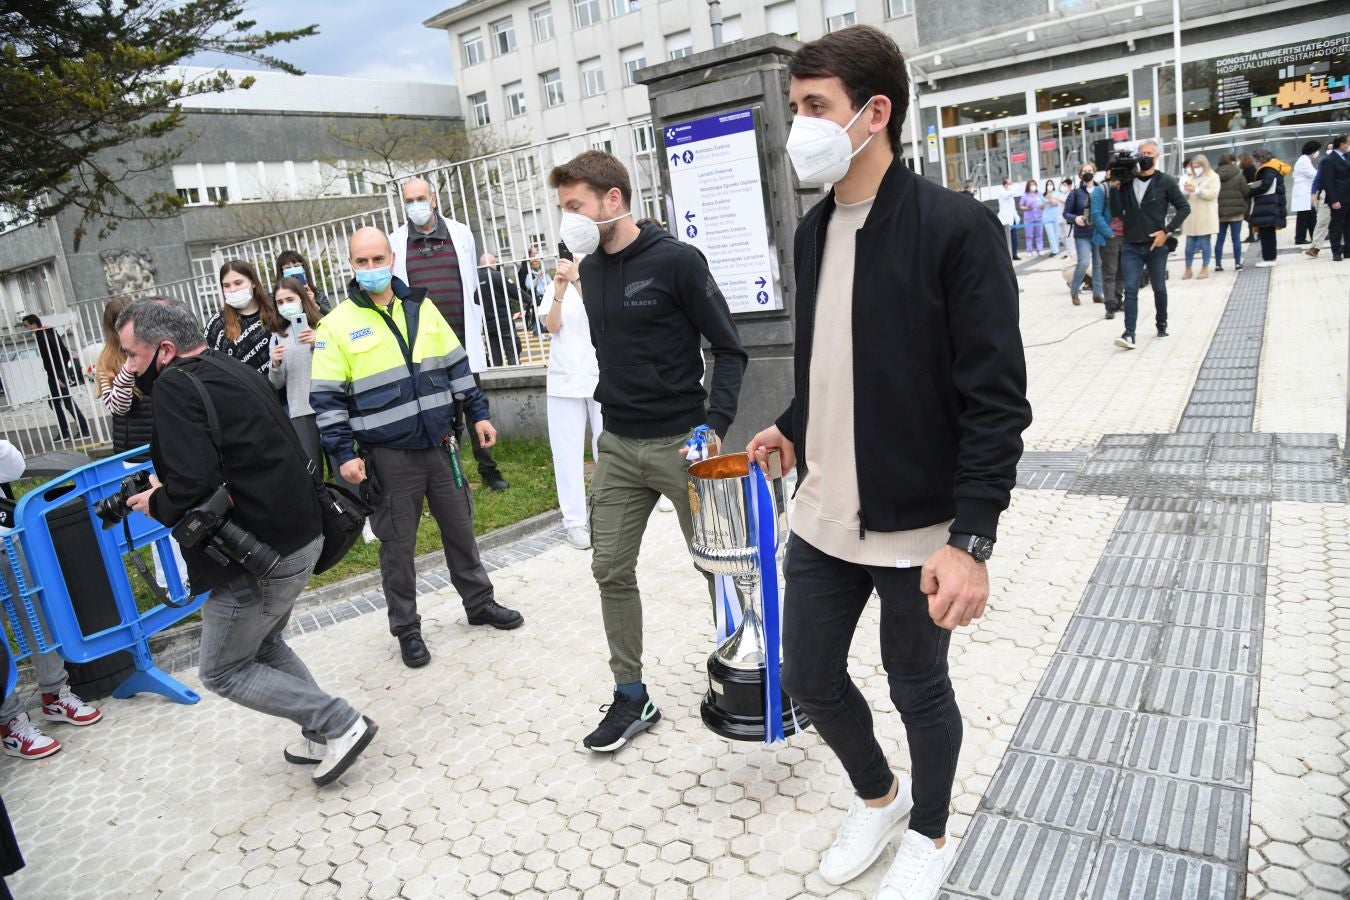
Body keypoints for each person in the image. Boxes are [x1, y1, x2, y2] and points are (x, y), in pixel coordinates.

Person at [746, 26, 1031, 900]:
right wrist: (791, 425)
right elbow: (833, 360)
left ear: (875, 113)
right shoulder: (813, 232)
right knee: (809, 676)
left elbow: (996, 400)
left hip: (918, 527)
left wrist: (972, 540)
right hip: (823, 513)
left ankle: (931, 833)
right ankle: (879, 796)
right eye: (795, 108)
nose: (799, 126)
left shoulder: (955, 229)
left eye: (815, 107)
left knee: (917, 687)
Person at [117, 297, 375, 787]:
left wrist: (156, 501)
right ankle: (322, 729)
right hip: (302, 535)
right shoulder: (226, 364)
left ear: (165, 350)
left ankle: (340, 723)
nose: (129, 367)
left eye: (132, 355)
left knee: (222, 669)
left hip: (259, 559)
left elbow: (192, 488)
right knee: (265, 643)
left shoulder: (174, 386)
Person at [546, 150, 747, 753]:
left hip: (682, 444)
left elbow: (729, 349)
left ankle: (750, 674)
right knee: (609, 569)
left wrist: (715, 424)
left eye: (576, 205)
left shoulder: (677, 261)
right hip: (617, 446)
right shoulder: (590, 269)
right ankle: (632, 696)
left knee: (720, 567)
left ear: (613, 200)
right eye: (563, 208)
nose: (568, 219)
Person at [310, 228, 523, 669]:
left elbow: (457, 365)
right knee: (397, 546)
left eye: (377, 259)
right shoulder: (336, 325)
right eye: (362, 262)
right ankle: (407, 629)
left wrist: (479, 414)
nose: (371, 268)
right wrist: (344, 455)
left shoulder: (422, 307)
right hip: (388, 456)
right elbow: (327, 401)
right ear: (351, 265)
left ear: (391, 258)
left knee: (461, 529)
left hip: (440, 445)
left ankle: (479, 603)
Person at [389, 178, 510, 492]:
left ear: (433, 199)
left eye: (420, 198)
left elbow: (469, 281)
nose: (415, 205)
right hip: (424, 345)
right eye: (409, 200)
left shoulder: (460, 233)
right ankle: (449, 475)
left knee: (474, 405)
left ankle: (489, 469)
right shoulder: (395, 242)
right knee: (439, 411)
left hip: (461, 338)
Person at [0, 439, 104, 760]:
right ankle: (10, 722)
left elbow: (14, 465)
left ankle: (55, 693)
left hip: (5, 537)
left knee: (36, 615)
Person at [95, 297, 189, 588]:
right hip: (134, 452)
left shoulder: (154, 349)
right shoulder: (108, 362)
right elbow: (118, 407)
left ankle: (189, 572)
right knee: (153, 513)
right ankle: (168, 579)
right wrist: (127, 370)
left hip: (162, 442)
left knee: (178, 505)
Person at [538, 253, 601, 550]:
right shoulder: (558, 281)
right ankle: (575, 522)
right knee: (566, 453)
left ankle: (608, 512)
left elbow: (601, 314)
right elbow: (551, 326)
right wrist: (560, 291)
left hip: (600, 373)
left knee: (607, 447)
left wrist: (579, 280)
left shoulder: (601, 273)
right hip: (564, 378)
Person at [1110, 140, 1189, 350]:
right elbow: (1116, 211)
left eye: (1149, 153)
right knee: (1130, 289)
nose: (1145, 156)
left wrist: (1167, 231)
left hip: (1156, 244)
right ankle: (1129, 333)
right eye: (1142, 153)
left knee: (1159, 287)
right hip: (1131, 244)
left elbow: (1184, 207)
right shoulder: (1128, 182)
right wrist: (1114, 187)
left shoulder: (1165, 181)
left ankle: (1161, 323)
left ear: (1157, 156)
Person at [266, 277, 325, 468]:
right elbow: (276, 383)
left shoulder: (323, 325)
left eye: (290, 299)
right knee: (311, 469)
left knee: (343, 466)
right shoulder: (277, 337)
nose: (285, 305)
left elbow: (339, 360)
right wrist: (275, 364)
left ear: (302, 298)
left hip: (329, 402)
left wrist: (319, 343)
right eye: (280, 302)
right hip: (300, 409)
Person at [19, 315, 90, 442]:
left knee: (65, 402)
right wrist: (63, 369)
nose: (25, 329)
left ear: (34, 324)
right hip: (58, 371)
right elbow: (64, 352)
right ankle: (66, 432)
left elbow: (50, 358)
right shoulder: (50, 332)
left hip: (55, 373)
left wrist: (58, 376)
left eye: (26, 326)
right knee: (55, 401)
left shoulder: (42, 336)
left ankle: (82, 430)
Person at [206, 260, 282, 377]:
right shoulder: (216, 323)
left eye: (238, 283)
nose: (232, 289)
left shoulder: (276, 309)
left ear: (253, 282)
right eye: (226, 286)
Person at [1063, 164, 1102, 306]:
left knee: (1098, 263)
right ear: (1080, 174)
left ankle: (1097, 294)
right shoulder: (1075, 193)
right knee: (1084, 262)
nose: (1087, 173)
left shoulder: (1100, 190)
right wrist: (1075, 218)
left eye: (1090, 171)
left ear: (1094, 172)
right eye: (1085, 171)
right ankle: (1074, 290)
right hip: (1082, 233)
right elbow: (1066, 213)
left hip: (1098, 232)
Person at [1247, 148, 1290, 268]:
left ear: (1260, 158)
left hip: (1267, 204)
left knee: (1267, 233)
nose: (1255, 162)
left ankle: (1269, 258)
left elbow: (1265, 185)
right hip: (1272, 203)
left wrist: (1250, 191)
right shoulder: (1275, 166)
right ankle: (1270, 257)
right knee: (1268, 232)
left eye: (1255, 160)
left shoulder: (1268, 168)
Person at [477, 253, 521, 367]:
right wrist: (529, 300)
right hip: (503, 321)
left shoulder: (475, 279)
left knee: (495, 358)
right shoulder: (497, 276)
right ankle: (515, 373)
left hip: (487, 324)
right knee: (512, 354)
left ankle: (496, 374)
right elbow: (515, 292)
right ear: (492, 263)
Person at [1180, 154, 1220, 280]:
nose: (1195, 169)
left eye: (1198, 166)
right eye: (1194, 166)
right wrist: (1185, 190)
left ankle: (1205, 267)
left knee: (1205, 242)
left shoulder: (1213, 177)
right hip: (1191, 214)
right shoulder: (1191, 177)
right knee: (1189, 243)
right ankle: (1188, 267)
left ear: (1204, 165)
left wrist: (1197, 190)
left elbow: (1212, 194)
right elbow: (1186, 193)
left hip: (1206, 214)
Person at [1092, 174, 1122, 318]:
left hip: (1126, 236)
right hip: (1110, 236)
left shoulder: (1127, 187)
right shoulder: (1101, 189)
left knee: (1123, 271)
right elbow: (1096, 214)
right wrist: (1109, 233)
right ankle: (1110, 305)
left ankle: (1119, 300)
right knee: (1110, 272)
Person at [1214, 153, 1250, 272]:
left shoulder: (1214, 175)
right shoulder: (1238, 173)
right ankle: (1237, 263)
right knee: (1236, 238)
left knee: (1220, 239)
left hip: (1220, 212)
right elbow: (1245, 191)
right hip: (1236, 212)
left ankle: (1218, 264)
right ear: (1231, 162)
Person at [1319, 134, 1350, 262]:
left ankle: (1348, 250)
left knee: (1348, 225)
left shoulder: (1347, 157)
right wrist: (1333, 200)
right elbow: (1328, 182)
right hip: (1339, 198)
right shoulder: (1329, 160)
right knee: (1336, 225)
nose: (1349, 145)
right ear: (1342, 144)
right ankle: (1336, 251)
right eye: (1348, 143)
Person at [275, 250, 331, 314]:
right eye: (287, 268)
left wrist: (314, 304)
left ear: (304, 269)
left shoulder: (318, 296)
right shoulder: (275, 298)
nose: (293, 270)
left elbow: (330, 315)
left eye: (296, 266)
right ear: (281, 272)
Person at [1306, 141, 1334, 258]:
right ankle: (1315, 247)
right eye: (1328, 149)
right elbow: (1318, 179)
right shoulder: (1324, 162)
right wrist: (1313, 192)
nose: (1330, 151)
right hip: (1326, 195)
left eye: (1332, 148)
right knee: (1322, 220)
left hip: (1343, 195)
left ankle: (1344, 246)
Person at [1292, 141, 1321, 245]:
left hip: (1305, 193)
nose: (1317, 152)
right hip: (1303, 193)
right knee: (1304, 217)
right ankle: (1300, 238)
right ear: (1312, 150)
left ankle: (1314, 236)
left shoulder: (1305, 160)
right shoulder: (1304, 160)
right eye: (1316, 150)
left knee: (1311, 216)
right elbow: (1313, 174)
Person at [1018, 179, 1044, 256]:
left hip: (1038, 217)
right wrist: (1027, 207)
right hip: (1029, 218)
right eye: (1031, 185)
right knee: (1029, 235)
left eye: (1034, 184)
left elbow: (1043, 204)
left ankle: (1040, 249)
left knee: (1039, 234)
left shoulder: (1039, 194)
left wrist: (1042, 206)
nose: (1033, 186)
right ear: (1028, 186)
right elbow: (1021, 206)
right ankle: (1029, 250)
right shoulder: (1025, 195)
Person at [996, 179, 1020, 259]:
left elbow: (1012, 208)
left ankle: (1014, 254)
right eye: (1010, 183)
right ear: (1005, 184)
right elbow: (1011, 192)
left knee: (1014, 239)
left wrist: (1016, 217)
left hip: (1012, 219)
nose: (1011, 185)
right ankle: (1006, 256)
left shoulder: (1010, 195)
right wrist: (1018, 184)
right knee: (1006, 239)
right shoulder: (1002, 193)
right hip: (1005, 221)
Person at [1041, 179, 1063, 257]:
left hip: (1055, 216)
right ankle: (1054, 251)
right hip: (1046, 218)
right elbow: (1040, 207)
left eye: (1051, 184)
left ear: (1053, 185)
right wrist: (1045, 201)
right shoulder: (1043, 195)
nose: (1049, 186)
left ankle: (1056, 249)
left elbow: (1056, 204)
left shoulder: (1057, 193)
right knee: (1051, 235)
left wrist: (1050, 199)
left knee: (1056, 235)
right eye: (1048, 184)